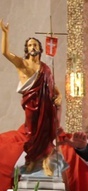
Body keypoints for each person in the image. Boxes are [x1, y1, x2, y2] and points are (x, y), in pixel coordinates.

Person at [1, 20, 60, 172]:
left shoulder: (45, 68)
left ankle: (47, 161)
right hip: (31, 105)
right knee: (31, 133)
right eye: (30, 45)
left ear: (40, 48)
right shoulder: (22, 64)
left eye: (35, 45)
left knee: (47, 133)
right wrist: (5, 34)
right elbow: (5, 53)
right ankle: (32, 160)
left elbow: (52, 86)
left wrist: (58, 96)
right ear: (26, 49)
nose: (32, 47)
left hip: (46, 105)